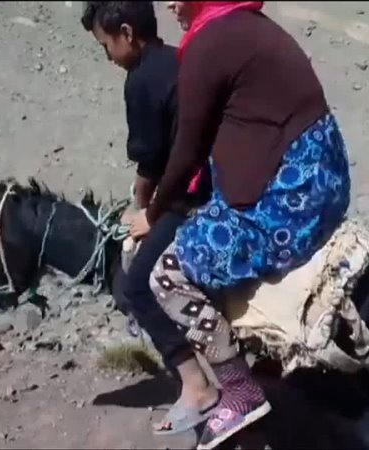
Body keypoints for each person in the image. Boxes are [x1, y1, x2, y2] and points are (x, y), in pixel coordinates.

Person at [138, 2, 353, 449]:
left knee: (166, 274)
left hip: (291, 198)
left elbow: (187, 151)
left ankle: (238, 392)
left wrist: (153, 212)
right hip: (324, 179)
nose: (172, 6)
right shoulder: (246, 25)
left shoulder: (208, 43)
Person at [80, 1, 216, 435]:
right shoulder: (179, 56)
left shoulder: (140, 80)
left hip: (188, 198)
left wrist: (145, 212)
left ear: (126, 33)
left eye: (106, 46)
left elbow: (148, 165)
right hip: (220, 179)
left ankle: (196, 385)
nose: (107, 56)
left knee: (137, 285)